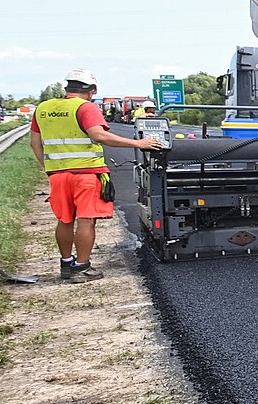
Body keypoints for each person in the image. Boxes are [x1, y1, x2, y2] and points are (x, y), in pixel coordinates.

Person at [30, 69, 166, 282]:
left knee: (64, 220)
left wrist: (49, 167)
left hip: (57, 175)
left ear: (67, 88)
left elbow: (35, 143)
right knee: (86, 221)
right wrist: (138, 143)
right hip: (86, 174)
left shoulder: (43, 109)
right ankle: (82, 268)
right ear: (92, 90)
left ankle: (66, 265)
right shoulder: (86, 108)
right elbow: (98, 135)